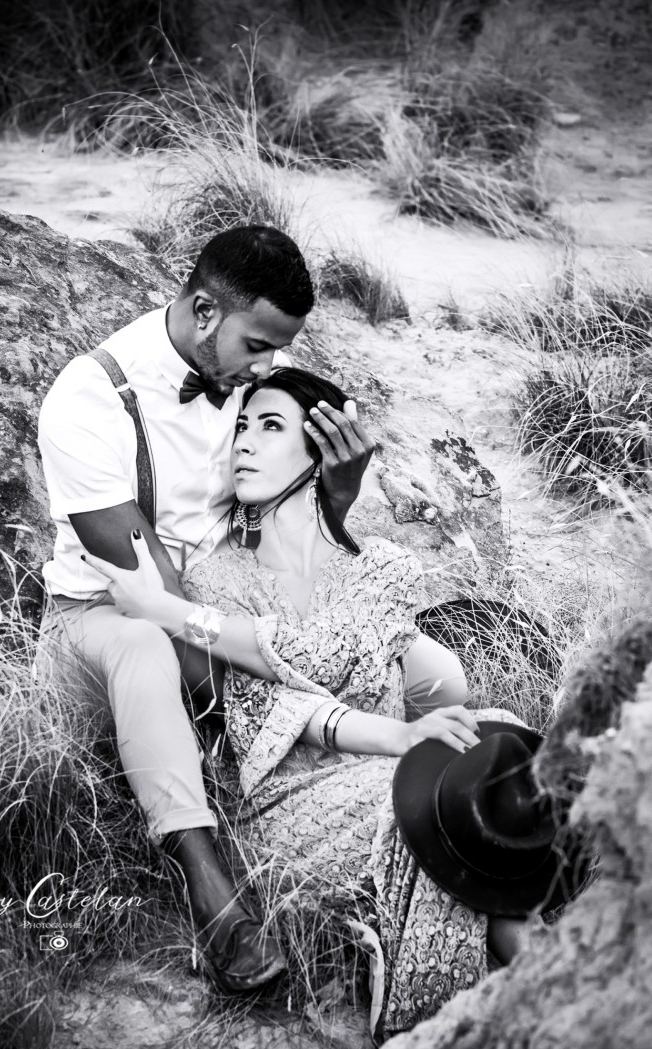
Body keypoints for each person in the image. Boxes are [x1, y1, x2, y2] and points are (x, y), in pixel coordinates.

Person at [37, 227, 465, 996]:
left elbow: (286, 523)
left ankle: (414, 815)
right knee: (146, 651)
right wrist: (288, 690)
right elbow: (154, 598)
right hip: (109, 616)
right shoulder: (89, 400)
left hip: (234, 592)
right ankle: (213, 893)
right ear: (205, 312)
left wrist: (337, 495)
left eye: (279, 350)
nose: (269, 368)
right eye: (259, 346)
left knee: (435, 671)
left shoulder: (249, 373)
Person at [84, 366, 535, 1036]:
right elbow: (272, 707)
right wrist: (399, 737)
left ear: (321, 449)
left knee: (504, 740)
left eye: (270, 427)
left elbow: (333, 654)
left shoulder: (383, 567)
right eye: (240, 427)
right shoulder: (216, 580)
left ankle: (544, 984)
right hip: (289, 802)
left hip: (387, 772)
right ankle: (525, 996)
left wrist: (169, 611)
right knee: (429, 799)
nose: (244, 442)